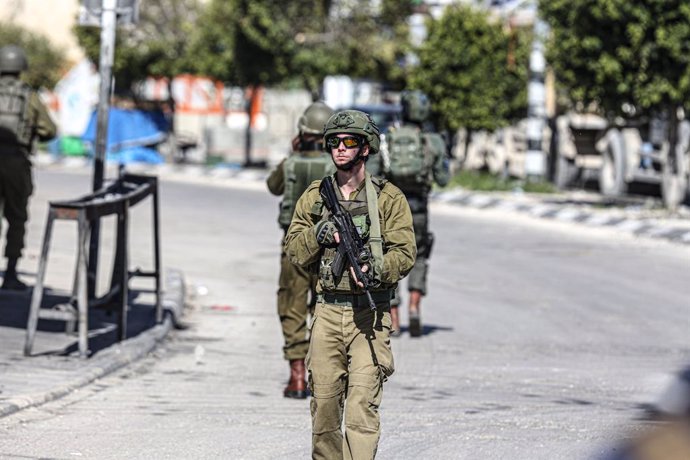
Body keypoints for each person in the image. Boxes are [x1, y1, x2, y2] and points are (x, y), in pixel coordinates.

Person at [285, 109, 416, 459]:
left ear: (366, 148)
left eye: (350, 142)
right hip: (327, 313)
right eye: (334, 143)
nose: (340, 149)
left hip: (368, 318)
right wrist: (318, 234)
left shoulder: (388, 198)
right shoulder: (316, 196)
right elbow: (294, 250)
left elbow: (405, 252)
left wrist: (378, 269)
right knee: (325, 409)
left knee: (361, 406)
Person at [266, 101, 335, 399]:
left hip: (293, 247)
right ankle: (321, 377)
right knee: (324, 309)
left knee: (292, 306)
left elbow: (273, 186)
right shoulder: (337, 166)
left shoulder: (290, 164)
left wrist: (293, 155)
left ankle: (296, 377)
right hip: (327, 250)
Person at [378, 89, 449, 337]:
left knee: (392, 256)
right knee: (419, 255)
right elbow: (444, 179)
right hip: (419, 207)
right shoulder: (434, 141)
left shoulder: (386, 139)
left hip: (391, 210)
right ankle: (415, 306)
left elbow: (373, 177)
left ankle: (394, 318)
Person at [0, 45, 57, 291]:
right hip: (16, 162)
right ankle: (11, 273)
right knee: (16, 216)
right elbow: (50, 130)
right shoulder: (30, 97)